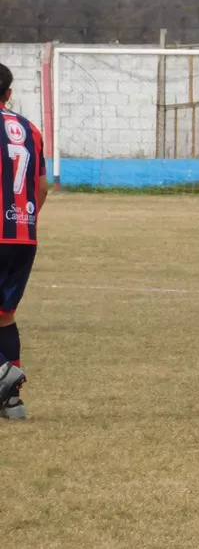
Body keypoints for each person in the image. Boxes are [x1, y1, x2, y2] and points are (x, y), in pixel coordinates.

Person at [0, 63, 48, 420]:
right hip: (23, 232)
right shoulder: (31, 129)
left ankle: (4, 371)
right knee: (4, 316)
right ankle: (11, 402)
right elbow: (41, 187)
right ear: (9, 92)